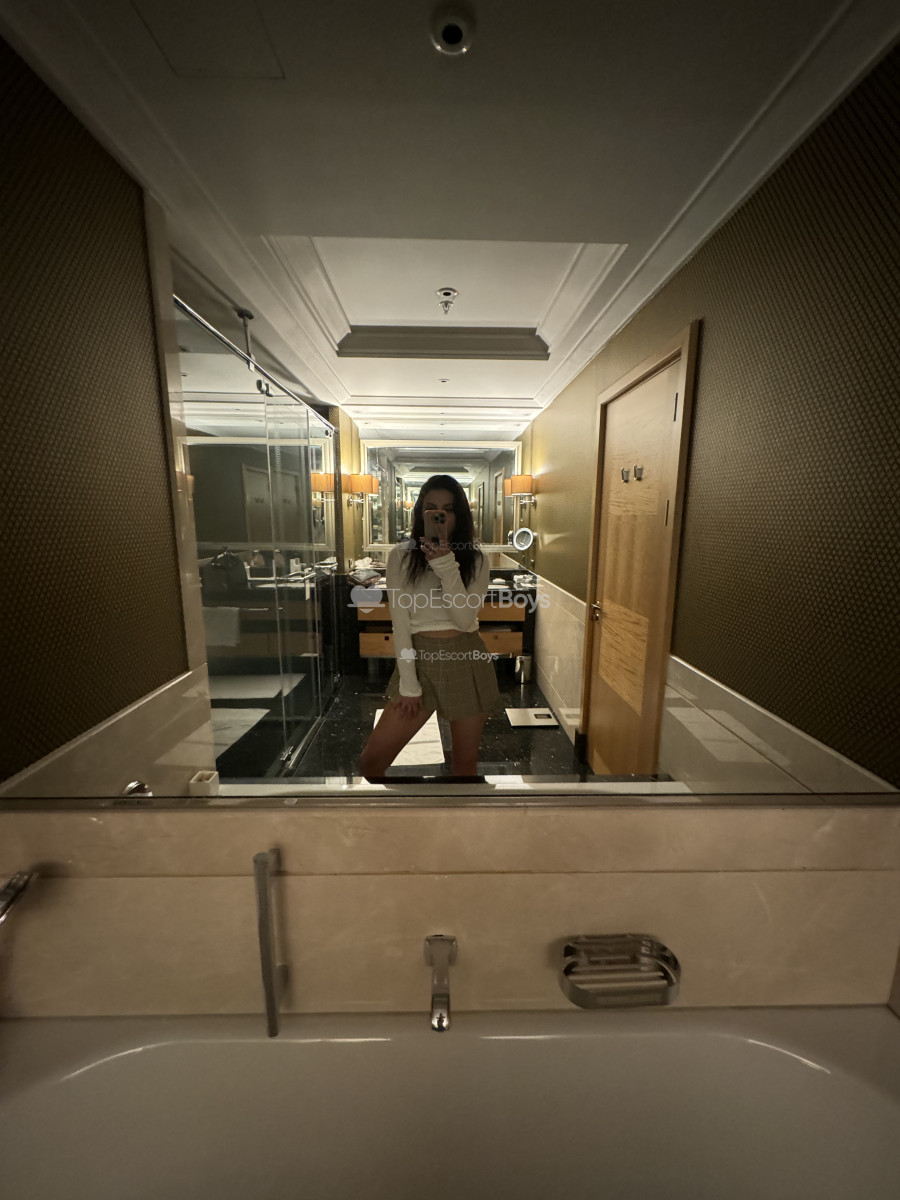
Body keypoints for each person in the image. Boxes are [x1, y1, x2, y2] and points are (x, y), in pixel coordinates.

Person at [358, 474, 501, 778]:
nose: (440, 516)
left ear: (459, 515)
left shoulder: (476, 559)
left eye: (448, 510)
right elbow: (400, 623)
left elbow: (464, 620)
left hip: (465, 660)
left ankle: (454, 813)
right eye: (432, 508)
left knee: (464, 768)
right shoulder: (401, 556)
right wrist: (409, 685)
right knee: (371, 763)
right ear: (420, 512)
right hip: (420, 659)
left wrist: (446, 564)